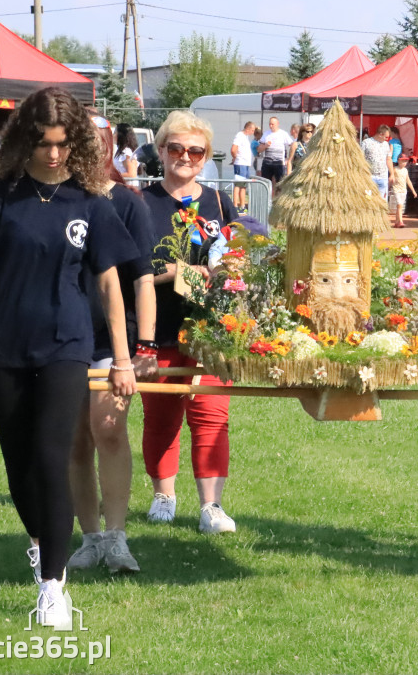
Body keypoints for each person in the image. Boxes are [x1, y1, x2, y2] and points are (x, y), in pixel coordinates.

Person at [0, 87, 139, 628]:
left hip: (67, 345)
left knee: (52, 458)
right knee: (20, 467)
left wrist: (122, 360)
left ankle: (54, 586)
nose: (53, 155)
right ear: (25, 139)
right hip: (4, 343)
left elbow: (110, 286)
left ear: (74, 142)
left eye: (61, 144)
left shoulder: (91, 203)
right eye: (43, 144)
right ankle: (41, 544)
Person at [141, 110, 264, 535]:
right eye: (176, 148)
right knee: (161, 416)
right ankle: (164, 495)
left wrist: (235, 269)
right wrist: (178, 275)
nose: (186, 157)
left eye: (196, 150)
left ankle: (212, 506)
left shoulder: (218, 202)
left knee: (212, 417)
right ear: (161, 151)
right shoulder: (142, 205)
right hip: (159, 329)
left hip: (214, 331)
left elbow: (237, 255)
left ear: (207, 155)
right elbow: (129, 274)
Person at [66, 115, 158, 574]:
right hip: (61, 337)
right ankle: (90, 538)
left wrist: (145, 346)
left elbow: (143, 279)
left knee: (107, 428)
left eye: (88, 141)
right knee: (74, 441)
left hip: (109, 339)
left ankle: (118, 538)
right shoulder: (55, 199)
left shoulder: (126, 203)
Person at [257, 117, 295, 191]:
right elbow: (259, 149)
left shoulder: (283, 134)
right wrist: (265, 146)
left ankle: (278, 200)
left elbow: (292, 145)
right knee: (266, 184)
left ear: (277, 124)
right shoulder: (266, 134)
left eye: (273, 124)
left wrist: (289, 159)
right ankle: (268, 200)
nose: (271, 126)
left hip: (279, 163)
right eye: (270, 124)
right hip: (267, 163)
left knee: (280, 184)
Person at [361, 125, 395, 201]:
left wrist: (392, 174)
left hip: (383, 177)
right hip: (370, 176)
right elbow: (360, 158)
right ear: (380, 134)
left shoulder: (386, 145)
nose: (387, 139)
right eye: (386, 137)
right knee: (369, 200)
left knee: (382, 201)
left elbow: (388, 159)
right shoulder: (366, 143)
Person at [230, 121, 256, 212]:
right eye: (252, 130)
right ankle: (235, 205)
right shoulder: (239, 136)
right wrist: (235, 158)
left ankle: (242, 205)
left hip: (245, 164)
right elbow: (233, 149)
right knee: (238, 184)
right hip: (240, 163)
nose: (253, 132)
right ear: (248, 129)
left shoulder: (245, 137)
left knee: (243, 185)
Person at [389, 155, 417, 228]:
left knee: (400, 206)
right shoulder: (395, 169)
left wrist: (413, 191)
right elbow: (390, 178)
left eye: (405, 161)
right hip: (396, 189)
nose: (404, 163)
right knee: (399, 205)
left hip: (403, 190)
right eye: (403, 161)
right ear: (398, 161)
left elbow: (408, 181)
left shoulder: (405, 170)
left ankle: (396, 222)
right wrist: (388, 187)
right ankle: (401, 221)